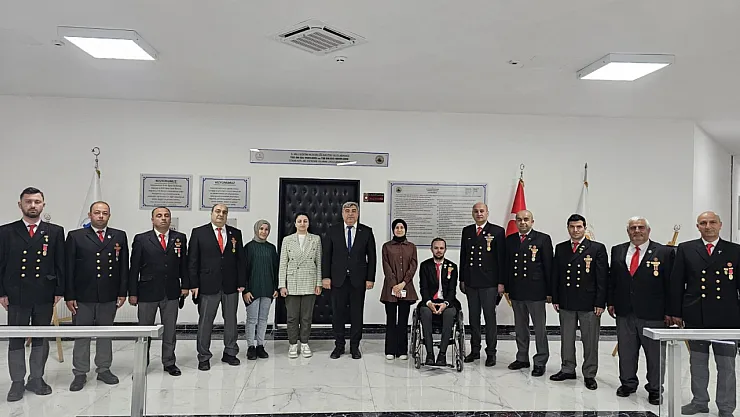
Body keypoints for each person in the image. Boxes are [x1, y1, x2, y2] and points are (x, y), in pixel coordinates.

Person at [669, 211, 740, 417]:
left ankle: (726, 407)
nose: (708, 226)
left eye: (712, 222)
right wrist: (675, 312)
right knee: (698, 363)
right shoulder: (686, 249)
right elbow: (676, 282)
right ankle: (699, 401)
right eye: (703, 223)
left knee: (726, 365)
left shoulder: (734, 250)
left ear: (720, 225)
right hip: (696, 315)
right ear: (697, 226)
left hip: (727, 318)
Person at [0, 187, 65, 401]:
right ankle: (17, 381)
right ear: (20, 205)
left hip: (44, 293)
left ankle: (36, 378)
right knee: (16, 339)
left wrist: (59, 290)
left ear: (43, 205)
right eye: (28, 201)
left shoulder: (55, 231)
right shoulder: (6, 231)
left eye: (37, 201)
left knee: (40, 337)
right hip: (16, 294)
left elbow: (60, 263)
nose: (33, 205)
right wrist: (1, 292)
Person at [607, 216, 673, 405]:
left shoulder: (664, 252)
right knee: (626, 351)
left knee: (655, 355)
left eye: (641, 227)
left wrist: (671, 311)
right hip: (624, 310)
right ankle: (627, 383)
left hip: (654, 313)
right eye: (633, 228)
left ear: (648, 231)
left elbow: (670, 284)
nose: (637, 231)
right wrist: (611, 301)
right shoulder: (618, 250)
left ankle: (655, 388)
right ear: (628, 231)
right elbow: (612, 279)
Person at [65, 201, 129, 391]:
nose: (101, 216)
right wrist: (69, 295)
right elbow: (69, 268)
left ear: (109, 215)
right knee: (82, 336)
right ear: (90, 215)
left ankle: (104, 369)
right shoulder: (76, 236)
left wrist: (122, 292)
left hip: (108, 295)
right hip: (83, 295)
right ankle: (80, 372)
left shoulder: (118, 236)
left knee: (105, 335)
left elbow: (123, 266)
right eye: (97, 212)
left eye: (105, 213)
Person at [128, 206, 189, 376]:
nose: (163, 218)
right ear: (152, 219)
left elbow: (184, 264)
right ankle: (141, 363)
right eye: (159, 215)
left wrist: (185, 285)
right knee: (144, 331)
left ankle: (169, 362)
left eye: (166, 215)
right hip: (147, 291)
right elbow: (134, 268)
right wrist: (132, 293)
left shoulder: (180, 238)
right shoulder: (141, 239)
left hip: (171, 291)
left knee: (170, 330)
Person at [550, 214, 607, 390]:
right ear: (568, 228)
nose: (575, 230)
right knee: (566, 338)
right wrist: (555, 298)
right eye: (572, 227)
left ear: (585, 228)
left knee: (590, 341)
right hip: (566, 300)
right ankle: (567, 368)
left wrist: (600, 302)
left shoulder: (596, 248)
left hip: (589, 303)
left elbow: (602, 278)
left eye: (579, 227)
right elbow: (556, 275)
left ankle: (589, 373)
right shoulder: (561, 248)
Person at [188, 204, 246, 371]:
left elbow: (240, 260)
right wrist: (194, 284)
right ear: (211, 213)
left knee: (231, 321)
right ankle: (203, 356)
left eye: (224, 212)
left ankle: (230, 352)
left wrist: (241, 282)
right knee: (206, 321)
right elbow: (192, 260)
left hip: (230, 285)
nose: (221, 214)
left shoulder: (235, 233)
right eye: (218, 211)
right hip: (207, 284)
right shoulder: (199, 233)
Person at [322, 201, 377, 360]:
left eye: (353, 211)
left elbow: (372, 257)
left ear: (358, 213)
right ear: (342, 213)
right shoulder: (333, 230)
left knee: (356, 314)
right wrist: (326, 276)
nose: (350, 214)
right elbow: (327, 255)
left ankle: (354, 347)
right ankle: (339, 346)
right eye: (347, 211)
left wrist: (370, 278)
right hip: (337, 280)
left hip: (358, 280)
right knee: (337, 314)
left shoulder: (366, 231)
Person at [503, 209, 553, 377]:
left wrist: (549, 292)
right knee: (520, 327)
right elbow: (507, 265)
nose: (522, 222)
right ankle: (522, 357)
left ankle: (540, 361)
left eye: (526, 219)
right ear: (516, 222)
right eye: (519, 219)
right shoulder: (510, 240)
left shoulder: (542, 239)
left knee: (539, 329)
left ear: (532, 221)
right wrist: (507, 288)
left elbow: (548, 266)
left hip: (536, 291)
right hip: (517, 291)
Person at [459, 202, 505, 367]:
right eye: (476, 211)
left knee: (489, 318)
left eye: (482, 211)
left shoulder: (497, 231)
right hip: (471, 282)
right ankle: (475, 350)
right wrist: (462, 279)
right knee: (474, 318)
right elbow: (463, 256)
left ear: (487, 213)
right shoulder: (467, 231)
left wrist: (501, 282)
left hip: (489, 283)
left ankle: (491, 352)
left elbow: (501, 258)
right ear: (472, 213)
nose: (479, 214)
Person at [278, 213, 322, 358]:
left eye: (305, 221)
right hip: (292, 282)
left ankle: (304, 343)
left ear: (308, 223)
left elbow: (319, 262)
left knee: (306, 317)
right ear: (295, 224)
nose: (302, 223)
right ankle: (292, 344)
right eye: (299, 221)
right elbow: (283, 264)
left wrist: (319, 283)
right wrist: (282, 285)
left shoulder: (315, 239)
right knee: (292, 317)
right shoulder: (287, 240)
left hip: (310, 281)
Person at [380, 219, 418, 360]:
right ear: (393, 230)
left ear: (405, 229)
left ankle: (402, 350)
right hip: (390, 289)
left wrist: (403, 283)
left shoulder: (411, 247)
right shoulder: (387, 247)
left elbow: (413, 266)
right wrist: (394, 284)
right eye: (397, 227)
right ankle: (390, 350)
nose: (399, 230)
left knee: (403, 320)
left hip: (406, 287)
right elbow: (386, 266)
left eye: (402, 227)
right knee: (391, 320)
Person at [418, 238, 459, 366]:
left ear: (445, 249)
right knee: (425, 312)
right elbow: (423, 288)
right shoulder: (425, 266)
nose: (439, 250)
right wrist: (429, 303)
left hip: (447, 302)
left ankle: (442, 354)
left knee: (449, 314)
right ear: (431, 249)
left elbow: (452, 290)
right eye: (436, 248)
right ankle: (429, 354)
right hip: (430, 301)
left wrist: (445, 304)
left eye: (441, 248)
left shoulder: (452, 267)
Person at [243, 219, 279, 360]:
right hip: (252, 290)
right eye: (261, 229)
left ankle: (260, 345)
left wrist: (275, 287)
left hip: (268, 289)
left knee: (263, 319)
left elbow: (275, 269)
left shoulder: (271, 248)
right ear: (256, 229)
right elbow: (244, 271)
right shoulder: (249, 248)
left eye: (266, 229)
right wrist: (246, 290)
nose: (264, 232)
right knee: (252, 319)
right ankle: (250, 346)